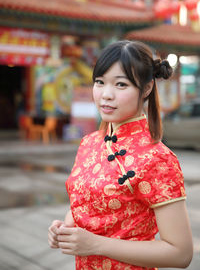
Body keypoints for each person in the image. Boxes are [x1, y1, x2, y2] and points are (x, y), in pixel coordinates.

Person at [48, 40, 193, 270]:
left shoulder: (157, 159)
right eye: (100, 82)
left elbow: (180, 253)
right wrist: (64, 230)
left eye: (121, 84)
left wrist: (96, 245)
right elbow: (85, 208)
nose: (106, 95)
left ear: (146, 89)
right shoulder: (89, 143)